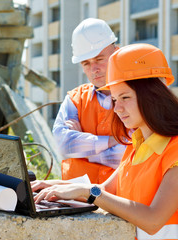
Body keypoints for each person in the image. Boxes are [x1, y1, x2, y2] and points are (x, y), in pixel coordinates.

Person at [33, 43, 178, 239]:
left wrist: (87, 191)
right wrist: (53, 186)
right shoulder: (136, 146)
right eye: (114, 99)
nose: (117, 108)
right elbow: (104, 190)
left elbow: (153, 220)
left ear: (153, 96)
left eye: (125, 97)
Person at [52, 18, 126, 184]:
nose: (94, 69)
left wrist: (82, 149)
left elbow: (132, 155)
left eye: (99, 59)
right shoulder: (75, 99)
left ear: (116, 52)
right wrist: (114, 141)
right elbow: (62, 145)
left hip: (123, 202)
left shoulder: (137, 96)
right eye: (86, 63)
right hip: (76, 202)